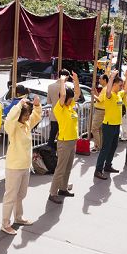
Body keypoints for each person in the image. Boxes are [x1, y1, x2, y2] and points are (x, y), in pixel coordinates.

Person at [1, 96, 42, 234]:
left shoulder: (26, 125)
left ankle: (18, 217)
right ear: (19, 114)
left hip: (25, 166)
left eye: (28, 115)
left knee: (21, 194)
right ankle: (5, 223)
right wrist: (19, 104)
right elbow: (9, 119)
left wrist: (36, 106)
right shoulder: (13, 127)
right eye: (24, 115)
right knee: (10, 196)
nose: (27, 117)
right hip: (14, 166)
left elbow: (36, 116)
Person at [48, 72, 81, 203]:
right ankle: (52, 193)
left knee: (68, 167)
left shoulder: (70, 107)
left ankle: (63, 188)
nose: (72, 100)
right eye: (69, 98)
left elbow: (77, 94)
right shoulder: (59, 109)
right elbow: (62, 95)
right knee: (60, 169)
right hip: (64, 142)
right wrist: (62, 82)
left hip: (72, 141)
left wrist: (76, 80)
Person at [94, 70, 127, 180]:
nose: (121, 87)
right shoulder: (110, 95)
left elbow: (126, 90)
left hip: (116, 125)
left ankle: (108, 165)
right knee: (105, 148)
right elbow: (108, 91)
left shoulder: (119, 95)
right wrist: (112, 77)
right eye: (120, 85)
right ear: (113, 85)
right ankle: (98, 170)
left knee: (113, 147)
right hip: (108, 125)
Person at [46, 69, 73, 150]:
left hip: (54, 115)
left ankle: (49, 153)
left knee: (52, 135)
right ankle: (60, 151)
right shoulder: (68, 87)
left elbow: (48, 101)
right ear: (65, 77)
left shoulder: (50, 86)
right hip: (64, 115)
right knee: (62, 136)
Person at [90, 74, 108, 152]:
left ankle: (97, 146)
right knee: (99, 129)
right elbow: (100, 98)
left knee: (94, 129)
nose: (99, 80)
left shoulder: (105, 89)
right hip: (102, 110)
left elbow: (99, 100)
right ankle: (100, 146)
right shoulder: (105, 88)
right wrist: (96, 93)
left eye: (100, 79)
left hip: (100, 111)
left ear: (104, 80)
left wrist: (93, 95)